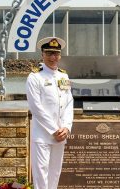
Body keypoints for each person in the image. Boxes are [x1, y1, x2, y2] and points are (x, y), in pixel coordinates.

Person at [26, 37, 73, 189]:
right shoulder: (35, 77)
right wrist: (54, 130)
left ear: (60, 55)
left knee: (55, 172)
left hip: (61, 134)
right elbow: (36, 108)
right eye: (49, 53)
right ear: (42, 54)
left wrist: (66, 127)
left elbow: (68, 103)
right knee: (41, 172)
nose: (53, 57)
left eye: (56, 54)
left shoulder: (63, 76)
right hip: (43, 134)